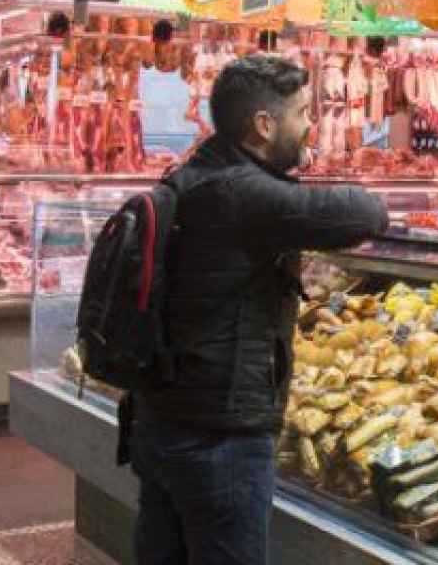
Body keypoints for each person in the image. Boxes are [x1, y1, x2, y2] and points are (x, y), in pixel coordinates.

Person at [130, 55, 390, 565]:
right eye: (301, 114)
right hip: (219, 437)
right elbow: (366, 213)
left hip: (161, 418)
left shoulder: (193, 174)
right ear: (264, 125)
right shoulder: (244, 192)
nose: (310, 124)